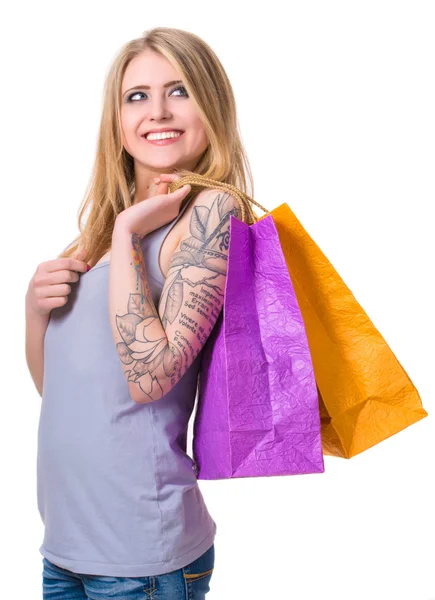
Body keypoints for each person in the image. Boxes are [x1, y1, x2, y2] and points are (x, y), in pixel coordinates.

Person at [25, 26, 256, 599]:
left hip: (140, 560)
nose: (157, 111)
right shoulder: (102, 229)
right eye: (137, 96)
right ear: (117, 120)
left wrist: (130, 232)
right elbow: (62, 393)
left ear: (211, 105)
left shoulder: (209, 211)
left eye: (179, 91)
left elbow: (151, 376)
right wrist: (35, 311)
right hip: (66, 548)